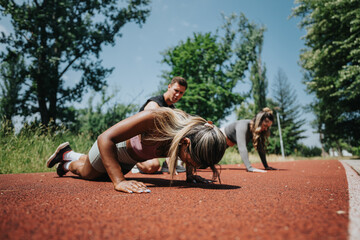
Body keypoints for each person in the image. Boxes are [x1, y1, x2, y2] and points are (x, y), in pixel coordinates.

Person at [47, 108, 227, 194]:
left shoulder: (191, 133)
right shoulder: (157, 119)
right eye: (193, 161)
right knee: (88, 173)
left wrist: (190, 175)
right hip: (113, 149)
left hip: (129, 160)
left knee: (101, 176)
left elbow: (189, 151)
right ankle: (68, 161)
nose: (193, 165)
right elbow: (105, 138)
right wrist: (119, 181)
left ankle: (68, 154)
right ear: (186, 143)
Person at [135, 76, 188, 174]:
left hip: (152, 146)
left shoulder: (172, 109)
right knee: (152, 166)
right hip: (138, 144)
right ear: (169, 87)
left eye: (181, 93)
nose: (177, 95)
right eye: (176, 90)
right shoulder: (154, 104)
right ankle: (133, 162)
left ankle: (167, 165)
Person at [221, 107, 278, 173]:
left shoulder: (255, 131)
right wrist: (249, 167)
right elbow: (242, 147)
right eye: (265, 125)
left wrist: (266, 166)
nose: (265, 129)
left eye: (267, 127)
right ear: (258, 122)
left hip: (225, 144)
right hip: (217, 138)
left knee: (209, 162)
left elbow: (260, 148)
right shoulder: (243, 125)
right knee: (206, 160)